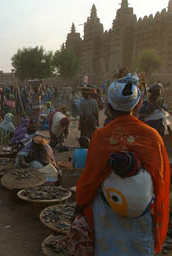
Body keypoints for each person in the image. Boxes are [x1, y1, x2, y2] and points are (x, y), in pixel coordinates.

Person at [66, 76, 170, 255]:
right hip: (141, 215)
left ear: (109, 108)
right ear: (138, 106)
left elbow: (90, 179)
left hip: (107, 214)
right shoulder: (152, 137)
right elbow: (160, 180)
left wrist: (79, 207)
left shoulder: (101, 136)